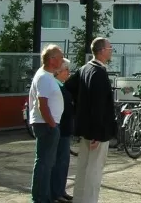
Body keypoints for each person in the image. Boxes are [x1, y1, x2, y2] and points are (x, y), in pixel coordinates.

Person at [71, 37, 116, 203]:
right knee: (94, 169)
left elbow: (69, 88)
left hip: (84, 128)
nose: (111, 50)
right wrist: (97, 132)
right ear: (102, 51)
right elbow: (99, 105)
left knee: (83, 167)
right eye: (110, 48)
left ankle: (79, 199)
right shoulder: (99, 73)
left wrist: (80, 111)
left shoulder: (84, 69)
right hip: (97, 131)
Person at [28, 44, 64, 203]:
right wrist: (52, 124)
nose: (62, 60)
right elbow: (42, 104)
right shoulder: (43, 77)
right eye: (60, 57)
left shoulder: (47, 76)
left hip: (48, 123)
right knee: (44, 163)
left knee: (47, 163)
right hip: (46, 124)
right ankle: (40, 198)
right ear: (52, 59)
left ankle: (44, 196)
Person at [52, 58, 75, 203]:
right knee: (59, 162)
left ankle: (61, 190)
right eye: (66, 70)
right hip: (60, 128)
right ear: (58, 71)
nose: (68, 72)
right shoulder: (57, 87)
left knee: (64, 162)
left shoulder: (63, 86)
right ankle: (56, 192)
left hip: (65, 129)